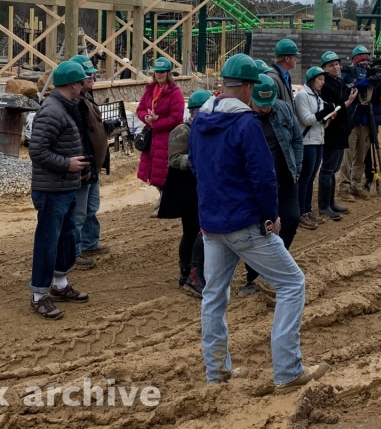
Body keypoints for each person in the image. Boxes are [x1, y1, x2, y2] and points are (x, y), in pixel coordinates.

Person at [190, 54, 328, 391]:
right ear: (250, 86)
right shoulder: (246, 123)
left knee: (214, 296)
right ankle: (288, 370)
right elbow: (263, 177)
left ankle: (217, 374)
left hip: (212, 224)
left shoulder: (201, 119)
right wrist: (270, 215)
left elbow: (196, 165)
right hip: (244, 224)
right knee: (292, 284)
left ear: (224, 84)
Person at [28, 60, 92, 319]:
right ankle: (38, 295)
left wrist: (78, 168)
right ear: (73, 85)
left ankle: (60, 285)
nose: (85, 85)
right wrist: (67, 164)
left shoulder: (66, 107)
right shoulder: (53, 111)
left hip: (65, 186)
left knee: (66, 238)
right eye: (82, 81)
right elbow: (37, 151)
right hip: (51, 190)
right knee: (47, 242)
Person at [239, 75, 304, 298]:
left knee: (292, 218)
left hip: (285, 178)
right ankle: (253, 278)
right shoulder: (244, 118)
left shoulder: (284, 109)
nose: (265, 110)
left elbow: (296, 138)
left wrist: (297, 166)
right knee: (260, 230)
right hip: (257, 185)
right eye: (261, 105)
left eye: (269, 105)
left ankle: (273, 267)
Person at [162, 89, 213, 297]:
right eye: (199, 111)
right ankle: (190, 272)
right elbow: (174, 159)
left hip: (202, 187)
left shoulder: (208, 130)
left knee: (194, 232)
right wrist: (194, 161)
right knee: (198, 231)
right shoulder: (183, 131)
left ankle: (191, 272)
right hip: (186, 189)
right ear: (192, 112)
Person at [70, 56, 110, 268]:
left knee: (91, 208)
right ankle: (74, 252)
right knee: (79, 213)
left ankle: (89, 242)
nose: (92, 77)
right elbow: (79, 139)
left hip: (93, 165)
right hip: (85, 166)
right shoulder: (77, 104)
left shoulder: (87, 98)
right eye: (87, 75)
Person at [339, 46, 381, 200]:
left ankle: (356, 186)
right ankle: (343, 188)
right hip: (351, 121)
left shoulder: (374, 73)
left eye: (367, 59)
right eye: (361, 59)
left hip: (368, 122)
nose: (364, 62)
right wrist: (364, 81)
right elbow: (346, 87)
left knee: (360, 158)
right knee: (347, 157)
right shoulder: (348, 72)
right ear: (355, 60)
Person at [317, 51, 358, 220]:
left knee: (334, 169)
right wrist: (348, 102)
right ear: (324, 69)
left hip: (341, 131)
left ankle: (331, 202)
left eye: (336, 64)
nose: (336, 67)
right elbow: (332, 109)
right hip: (331, 132)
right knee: (327, 169)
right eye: (331, 65)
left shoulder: (339, 82)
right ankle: (323, 205)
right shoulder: (326, 86)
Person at [136, 57, 186, 194]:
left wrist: (155, 123)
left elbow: (176, 118)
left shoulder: (175, 94)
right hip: (152, 138)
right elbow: (140, 109)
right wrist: (146, 118)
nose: (159, 74)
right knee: (153, 171)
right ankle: (162, 197)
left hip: (167, 139)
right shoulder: (150, 91)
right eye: (157, 71)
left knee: (164, 171)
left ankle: (166, 199)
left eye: (162, 71)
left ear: (168, 73)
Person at [293, 66, 328, 230]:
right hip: (307, 142)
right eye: (320, 79)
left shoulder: (317, 97)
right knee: (305, 178)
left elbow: (320, 120)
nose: (323, 82)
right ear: (312, 79)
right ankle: (301, 212)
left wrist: (328, 115)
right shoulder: (302, 96)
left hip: (318, 140)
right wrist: (323, 114)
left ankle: (307, 209)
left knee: (311, 177)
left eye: (323, 79)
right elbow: (306, 119)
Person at [267, 39, 299, 112]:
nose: (296, 59)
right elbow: (273, 108)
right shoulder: (273, 78)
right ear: (287, 59)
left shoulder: (286, 75)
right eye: (294, 56)